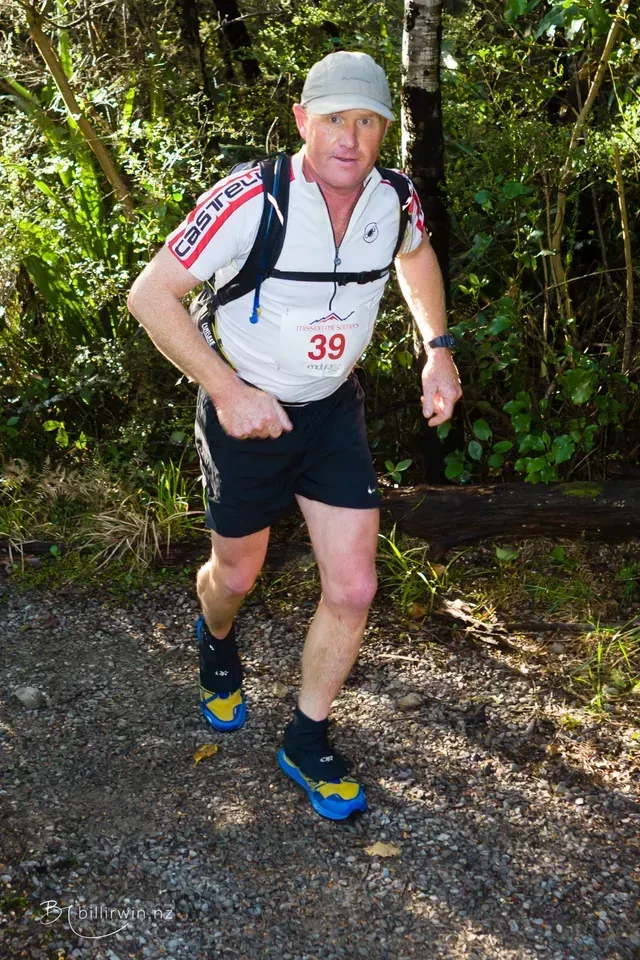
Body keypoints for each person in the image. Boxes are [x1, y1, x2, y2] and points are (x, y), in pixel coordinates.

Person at [127, 50, 462, 821]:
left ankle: (306, 738)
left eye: (367, 121)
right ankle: (215, 638)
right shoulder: (253, 199)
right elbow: (151, 296)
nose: (350, 136)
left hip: (331, 415)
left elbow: (416, 259)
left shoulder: (395, 200)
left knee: (354, 586)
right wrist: (228, 390)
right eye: (335, 118)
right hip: (247, 413)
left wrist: (437, 350)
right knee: (235, 579)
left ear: (384, 131)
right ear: (304, 122)